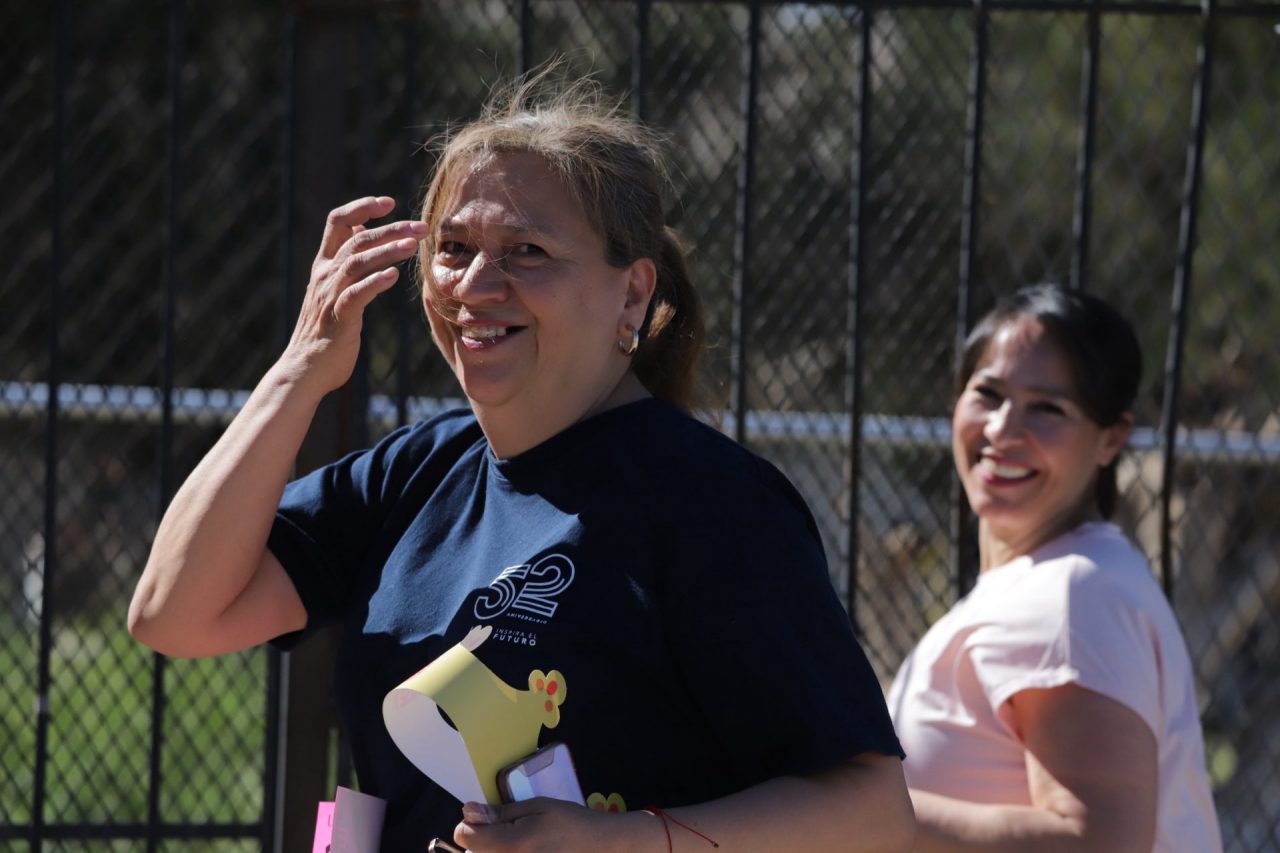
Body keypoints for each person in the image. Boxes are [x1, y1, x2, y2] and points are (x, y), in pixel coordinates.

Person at [129, 70, 913, 852]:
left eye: (527, 252)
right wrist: (300, 369)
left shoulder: (711, 501)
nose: (475, 285)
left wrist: (618, 843)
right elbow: (175, 612)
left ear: (632, 294)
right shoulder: (413, 473)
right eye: (453, 248)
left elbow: (874, 814)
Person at [887, 284, 1221, 852]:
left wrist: (862, 813)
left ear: (1111, 439)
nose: (1003, 430)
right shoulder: (1060, 581)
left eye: (1048, 408)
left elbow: (1097, 842)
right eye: (988, 393)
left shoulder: (1071, 596)